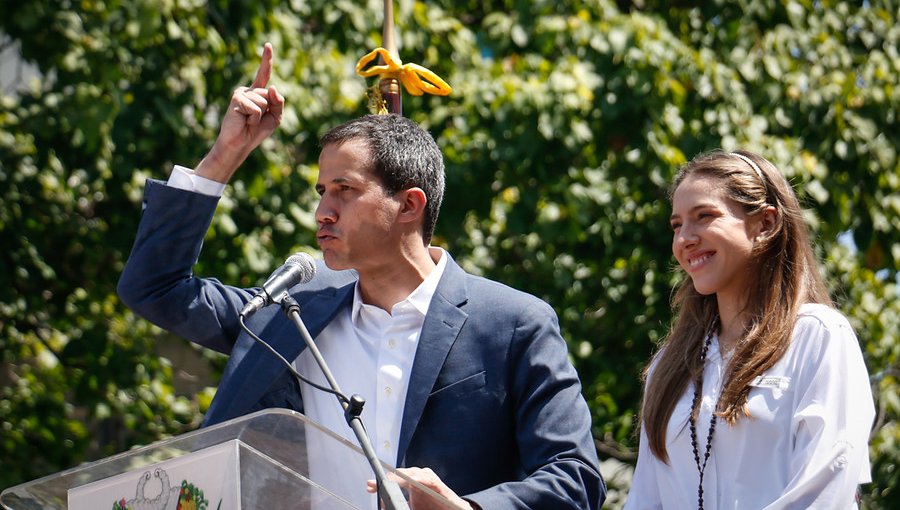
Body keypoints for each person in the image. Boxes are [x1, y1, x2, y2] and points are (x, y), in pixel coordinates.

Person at [117, 43, 605, 509]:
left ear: (409, 204)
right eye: (321, 191)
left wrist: (466, 509)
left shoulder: (514, 323)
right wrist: (224, 154)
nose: (321, 212)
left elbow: (575, 478)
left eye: (344, 191)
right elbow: (154, 287)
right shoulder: (292, 309)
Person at [624, 150, 875, 509]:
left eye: (704, 216)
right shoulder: (668, 367)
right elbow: (645, 499)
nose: (685, 239)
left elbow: (825, 492)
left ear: (766, 223)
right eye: (677, 225)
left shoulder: (818, 337)